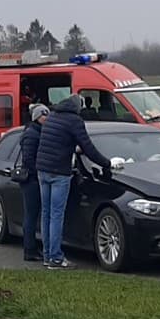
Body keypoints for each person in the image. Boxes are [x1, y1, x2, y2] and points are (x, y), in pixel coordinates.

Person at [34, 95, 109, 269]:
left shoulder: (52, 116)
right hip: (59, 172)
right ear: (77, 107)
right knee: (57, 215)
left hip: (42, 170)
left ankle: (47, 255)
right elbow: (89, 148)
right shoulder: (74, 121)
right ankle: (56, 258)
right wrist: (106, 163)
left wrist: (72, 148)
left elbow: (57, 141)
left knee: (46, 213)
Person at [17, 103, 50, 262]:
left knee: (34, 214)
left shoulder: (38, 131)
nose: (46, 118)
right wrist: (39, 172)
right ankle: (29, 249)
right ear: (37, 117)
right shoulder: (31, 134)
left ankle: (33, 247)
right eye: (44, 115)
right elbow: (29, 158)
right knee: (31, 215)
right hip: (31, 180)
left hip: (35, 178)